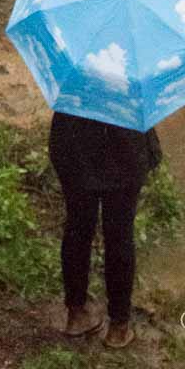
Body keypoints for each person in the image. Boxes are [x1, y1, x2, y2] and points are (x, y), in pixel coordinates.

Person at [49, 109, 162, 347]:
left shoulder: (77, 72)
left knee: (77, 228)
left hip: (74, 147)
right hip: (124, 152)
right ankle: (119, 327)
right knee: (119, 235)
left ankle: (76, 314)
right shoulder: (133, 73)